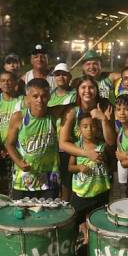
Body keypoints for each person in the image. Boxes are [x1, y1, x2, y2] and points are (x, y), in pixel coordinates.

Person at [5, 79, 62, 199]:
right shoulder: (19, 117)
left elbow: (76, 105)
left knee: (49, 211)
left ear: (49, 96)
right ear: (28, 98)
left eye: (44, 96)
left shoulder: (54, 114)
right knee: (21, 210)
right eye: (35, 96)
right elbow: (9, 144)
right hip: (24, 180)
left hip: (50, 180)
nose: (39, 100)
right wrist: (18, 161)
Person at [69, 113, 112, 241]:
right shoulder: (76, 147)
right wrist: (79, 167)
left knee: (99, 222)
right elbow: (70, 167)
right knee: (74, 221)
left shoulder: (103, 146)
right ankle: (73, 244)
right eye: (85, 126)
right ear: (79, 129)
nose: (89, 129)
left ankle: (95, 245)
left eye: (92, 126)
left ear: (97, 128)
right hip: (81, 193)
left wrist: (105, 160)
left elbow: (111, 165)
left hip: (100, 192)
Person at [59, 76, 116, 169]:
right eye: (83, 87)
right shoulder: (72, 111)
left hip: (103, 164)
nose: (87, 91)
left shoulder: (105, 107)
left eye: (91, 87)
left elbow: (111, 142)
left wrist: (104, 119)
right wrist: (87, 153)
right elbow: (63, 143)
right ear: (78, 90)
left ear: (96, 90)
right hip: (80, 164)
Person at [0, 71, 26, 196]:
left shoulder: (23, 100)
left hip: (18, 147)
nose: (6, 83)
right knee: (3, 181)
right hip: (1, 148)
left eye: (9, 80)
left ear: (15, 83)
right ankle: (4, 203)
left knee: (19, 179)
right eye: (3, 80)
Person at [50, 63, 78, 199]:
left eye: (64, 74)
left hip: (69, 144)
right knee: (54, 180)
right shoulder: (49, 95)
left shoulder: (76, 94)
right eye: (57, 74)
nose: (60, 77)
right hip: (52, 144)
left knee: (67, 181)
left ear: (70, 77)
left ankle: (66, 205)